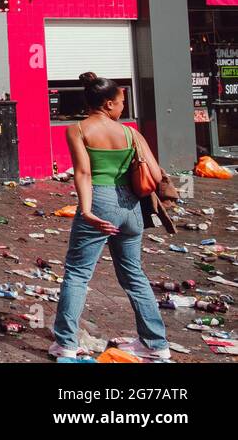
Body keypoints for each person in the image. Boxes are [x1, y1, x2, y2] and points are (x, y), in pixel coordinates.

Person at [49, 73, 170, 361]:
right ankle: (156, 344)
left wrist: (87, 210)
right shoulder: (130, 133)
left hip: (100, 201)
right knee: (134, 274)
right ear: (107, 104)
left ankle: (66, 342)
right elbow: (154, 174)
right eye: (120, 102)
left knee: (78, 274)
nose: (123, 108)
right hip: (130, 207)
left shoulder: (78, 129)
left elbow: (83, 172)